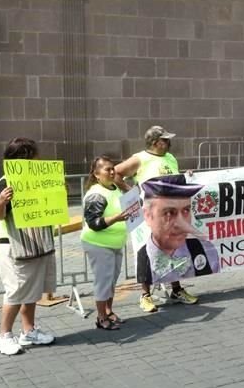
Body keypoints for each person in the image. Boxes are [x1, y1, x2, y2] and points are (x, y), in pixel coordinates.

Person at [114, 125, 197, 309]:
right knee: (147, 251)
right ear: (155, 142)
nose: (169, 142)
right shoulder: (140, 159)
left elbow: (172, 179)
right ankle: (145, 295)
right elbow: (116, 172)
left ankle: (176, 289)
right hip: (150, 216)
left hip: (171, 214)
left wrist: (186, 176)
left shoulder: (170, 158)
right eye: (165, 139)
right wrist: (132, 192)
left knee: (174, 250)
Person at [0, 137, 57, 356]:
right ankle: (3, 336)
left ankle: (28, 331)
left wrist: (57, 191)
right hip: (13, 245)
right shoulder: (5, 181)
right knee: (16, 291)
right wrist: (1, 201)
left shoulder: (39, 178)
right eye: (35, 154)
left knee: (32, 291)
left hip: (36, 243)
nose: (39, 158)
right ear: (26, 157)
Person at [81, 156, 135, 330]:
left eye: (113, 168)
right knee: (103, 281)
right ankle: (101, 317)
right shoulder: (96, 194)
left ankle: (109, 311)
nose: (112, 172)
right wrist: (117, 218)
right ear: (97, 174)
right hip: (99, 244)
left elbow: (134, 201)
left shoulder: (115, 188)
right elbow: (94, 223)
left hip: (115, 243)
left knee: (111, 280)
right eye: (107, 169)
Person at [141, 175, 220, 285]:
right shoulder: (142, 257)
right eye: (169, 213)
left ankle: (177, 290)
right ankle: (147, 295)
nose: (181, 223)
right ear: (148, 216)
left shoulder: (206, 251)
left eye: (186, 210)